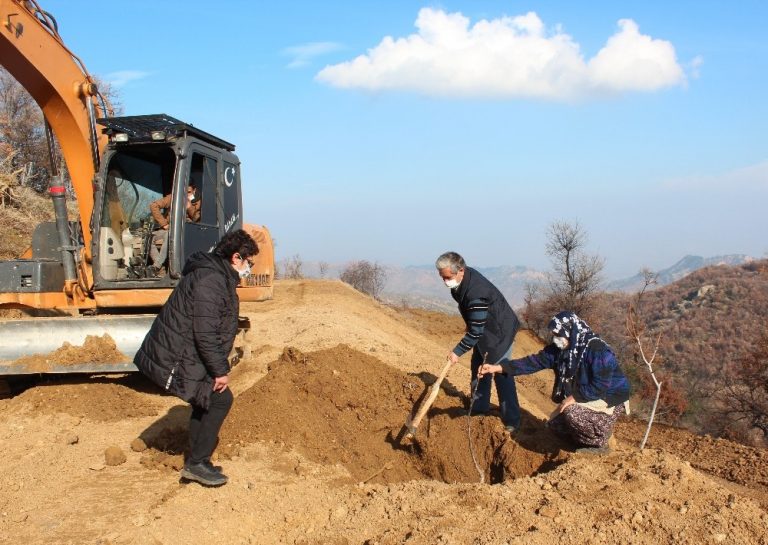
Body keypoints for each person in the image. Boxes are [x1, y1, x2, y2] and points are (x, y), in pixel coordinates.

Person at [133, 229, 257, 486]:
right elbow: (205, 332)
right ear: (236, 257)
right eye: (249, 262)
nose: (249, 267)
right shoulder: (212, 280)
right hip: (182, 353)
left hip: (188, 351)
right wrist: (219, 370)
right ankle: (197, 463)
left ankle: (198, 459)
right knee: (221, 400)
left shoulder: (216, 275)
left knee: (205, 399)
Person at [478, 311, 630, 453]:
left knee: (572, 413)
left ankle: (599, 444)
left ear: (571, 332)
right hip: (587, 393)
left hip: (608, 396)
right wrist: (499, 368)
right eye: (555, 335)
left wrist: (574, 398)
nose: (556, 339)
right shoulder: (560, 350)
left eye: (559, 334)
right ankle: (587, 437)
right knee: (555, 427)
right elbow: (533, 362)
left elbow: (601, 385)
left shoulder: (597, 350)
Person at [435, 251, 522, 433]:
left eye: (448, 277)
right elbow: (474, 324)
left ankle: (512, 420)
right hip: (485, 330)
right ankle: (478, 409)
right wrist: (472, 322)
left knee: (501, 373)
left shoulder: (476, 293)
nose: (445, 281)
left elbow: (475, 333)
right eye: (442, 277)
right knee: (478, 367)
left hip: (499, 333)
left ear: (460, 270)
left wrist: (457, 352)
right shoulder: (462, 280)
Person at [148, 184, 201, 274]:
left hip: (186, 230)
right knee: (149, 237)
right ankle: (159, 268)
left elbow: (197, 219)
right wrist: (164, 223)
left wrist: (189, 207)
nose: (186, 195)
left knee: (169, 235)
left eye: (188, 192)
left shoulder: (199, 202)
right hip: (169, 227)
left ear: (194, 190)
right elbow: (154, 206)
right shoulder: (174, 197)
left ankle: (156, 266)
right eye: (184, 192)